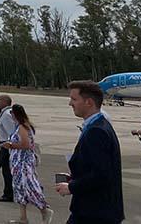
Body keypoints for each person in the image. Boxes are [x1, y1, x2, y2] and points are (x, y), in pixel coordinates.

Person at [55, 80, 123, 223]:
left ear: (89, 102)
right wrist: (77, 175)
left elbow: (102, 174)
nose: (70, 103)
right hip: (95, 210)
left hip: (95, 213)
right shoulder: (98, 125)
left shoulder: (96, 131)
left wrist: (71, 187)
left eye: (74, 99)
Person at [2, 104, 54, 224]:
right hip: (17, 163)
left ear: (15, 114)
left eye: (12, 114)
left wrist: (10, 145)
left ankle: (44, 209)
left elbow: (25, 145)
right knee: (19, 188)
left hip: (23, 163)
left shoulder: (22, 127)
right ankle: (23, 218)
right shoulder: (19, 126)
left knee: (29, 186)